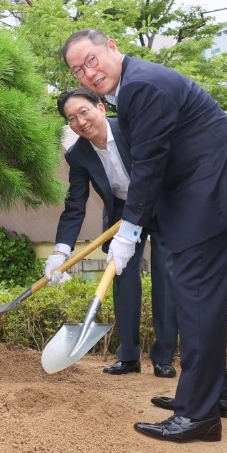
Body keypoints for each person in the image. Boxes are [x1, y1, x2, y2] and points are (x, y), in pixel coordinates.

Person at [61, 28, 227, 443]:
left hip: (215, 190)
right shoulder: (134, 86)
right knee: (202, 302)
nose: (88, 73)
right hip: (207, 191)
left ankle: (199, 414)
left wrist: (130, 230)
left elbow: (150, 164)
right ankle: (214, 396)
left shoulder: (140, 87)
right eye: (77, 70)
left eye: (91, 60)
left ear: (112, 49)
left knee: (193, 298)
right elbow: (154, 164)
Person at [45, 88, 179, 379]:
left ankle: (164, 357)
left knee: (166, 277)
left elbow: (158, 168)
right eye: (72, 118)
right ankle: (129, 356)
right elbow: (74, 206)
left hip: (162, 204)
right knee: (122, 278)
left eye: (84, 111)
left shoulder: (132, 128)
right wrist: (61, 251)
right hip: (121, 211)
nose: (80, 120)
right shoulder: (77, 154)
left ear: (101, 107)